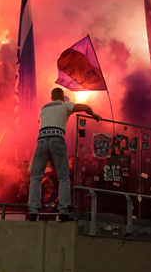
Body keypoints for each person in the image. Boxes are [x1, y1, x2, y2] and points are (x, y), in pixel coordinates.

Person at [27, 87, 100, 222]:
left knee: (35, 177)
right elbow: (86, 106)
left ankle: (33, 212)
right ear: (63, 97)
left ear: (51, 97)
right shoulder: (65, 105)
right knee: (64, 177)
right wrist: (94, 115)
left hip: (41, 141)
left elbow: (41, 122)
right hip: (57, 139)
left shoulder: (43, 108)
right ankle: (64, 212)